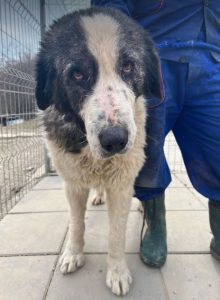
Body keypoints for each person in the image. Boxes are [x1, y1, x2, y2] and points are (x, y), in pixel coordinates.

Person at [91, 0, 220, 267]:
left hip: (214, 57)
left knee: (217, 148)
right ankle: (155, 225)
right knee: (146, 152)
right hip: (153, 55)